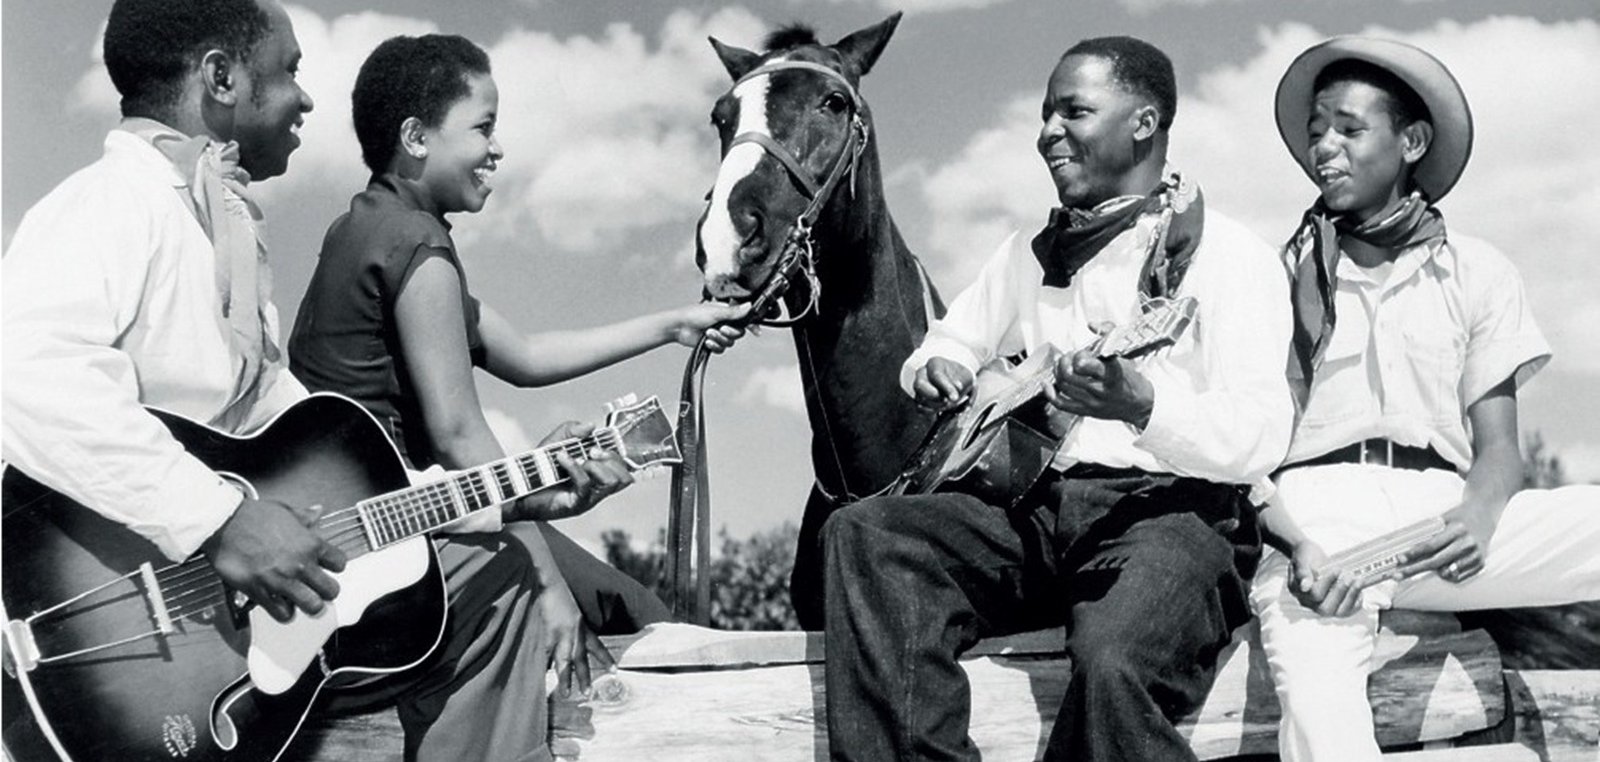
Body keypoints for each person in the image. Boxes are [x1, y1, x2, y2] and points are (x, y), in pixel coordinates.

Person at [1, 3, 631, 760]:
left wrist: (509, 493)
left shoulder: (226, 230)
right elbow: (26, 374)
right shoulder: (105, 205)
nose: (307, 98)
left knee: (469, 578)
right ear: (222, 77)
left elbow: (322, 461)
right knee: (502, 595)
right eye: (291, 70)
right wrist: (220, 521)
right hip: (94, 625)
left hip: (212, 628)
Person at [821, 36, 1294, 761]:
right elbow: (949, 340)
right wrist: (939, 367)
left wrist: (1144, 407)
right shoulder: (1029, 251)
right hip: (1039, 514)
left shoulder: (1235, 257)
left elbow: (1262, 436)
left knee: (1114, 664)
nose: (1046, 132)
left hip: (1176, 517)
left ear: (1143, 122)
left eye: (1073, 111)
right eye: (1045, 115)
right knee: (868, 534)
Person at [286, 34, 745, 639]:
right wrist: (545, 583)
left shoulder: (365, 227)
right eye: (483, 128)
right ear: (417, 138)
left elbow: (525, 357)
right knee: (643, 620)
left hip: (362, 522)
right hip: (395, 537)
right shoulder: (418, 245)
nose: (497, 148)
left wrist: (673, 325)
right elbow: (458, 433)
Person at [1250, 36, 1600, 762]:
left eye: (1349, 129)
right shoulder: (1273, 275)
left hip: (1443, 517)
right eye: (1317, 132)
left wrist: (1476, 515)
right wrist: (1293, 542)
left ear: (1410, 141)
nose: (1325, 149)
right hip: (1322, 516)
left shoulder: (1477, 269)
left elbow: (1499, 450)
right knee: (1318, 691)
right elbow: (1244, 443)